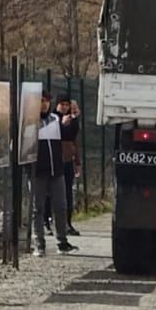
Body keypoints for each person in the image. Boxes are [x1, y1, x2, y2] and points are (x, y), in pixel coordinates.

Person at [31, 92, 78, 257]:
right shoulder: (30, 121)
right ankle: (39, 244)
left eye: (47, 101)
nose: (44, 104)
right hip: (37, 171)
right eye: (41, 101)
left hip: (56, 170)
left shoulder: (55, 119)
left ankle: (62, 242)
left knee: (60, 206)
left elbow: (70, 135)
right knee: (38, 208)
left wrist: (71, 121)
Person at [60, 96, 82, 237]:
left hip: (68, 160)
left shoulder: (74, 124)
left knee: (67, 192)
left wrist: (77, 162)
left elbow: (74, 143)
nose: (73, 112)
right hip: (56, 161)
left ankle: (67, 223)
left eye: (75, 109)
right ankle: (49, 222)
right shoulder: (56, 120)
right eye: (70, 108)